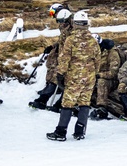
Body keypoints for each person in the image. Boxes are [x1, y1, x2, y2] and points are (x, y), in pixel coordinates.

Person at [47, 11, 101, 141]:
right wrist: (95, 73)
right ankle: (80, 131)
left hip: (74, 77)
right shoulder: (93, 40)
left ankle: (61, 132)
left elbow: (64, 58)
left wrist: (60, 74)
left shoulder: (71, 40)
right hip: (89, 76)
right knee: (84, 102)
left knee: (68, 103)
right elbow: (98, 59)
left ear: (75, 23)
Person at [29, 7, 73, 109]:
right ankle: (43, 99)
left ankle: (58, 103)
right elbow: (62, 41)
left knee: (66, 80)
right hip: (62, 56)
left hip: (70, 58)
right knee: (56, 77)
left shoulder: (73, 29)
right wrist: (53, 46)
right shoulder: (64, 26)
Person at [90, 38, 122, 119]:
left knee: (102, 82)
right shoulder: (92, 53)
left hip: (112, 81)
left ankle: (102, 107)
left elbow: (113, 73)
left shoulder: (112, 53)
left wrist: (99, 75)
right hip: (95, 77)